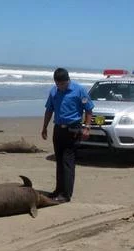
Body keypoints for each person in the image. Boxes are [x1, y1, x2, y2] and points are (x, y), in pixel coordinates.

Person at [41, 68, 94, 203]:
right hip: (58, 129)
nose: (60, 87)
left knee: (68, 162)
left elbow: (89, 109)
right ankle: (58, 190)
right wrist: (45, 127)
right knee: (59, 162)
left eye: (62, 84)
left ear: (68, 80)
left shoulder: (79, 90)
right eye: (58, 84)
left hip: (73, 130)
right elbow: (49, 110)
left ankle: (66, 194)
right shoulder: (53, 91)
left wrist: (87, 128)